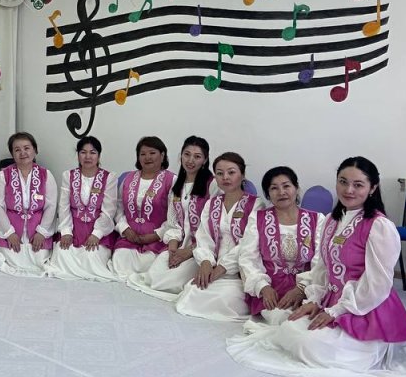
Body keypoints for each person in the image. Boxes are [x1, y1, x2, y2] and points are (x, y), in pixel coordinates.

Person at [227, 156, 406, 377]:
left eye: (358, 185)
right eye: (343, 182)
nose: (349, 190)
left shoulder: (379, 226)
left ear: (372, 188)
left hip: (365, 310)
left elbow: (378, 284)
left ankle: (371, 348)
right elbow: (323, 268)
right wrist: (314, 299)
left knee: (309, 344)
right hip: (331, 302)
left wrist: (336, 311)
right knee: (289, 327)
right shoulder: (332, 220)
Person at [128, 135, 218, 299]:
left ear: (205, 160)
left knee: (170, 282)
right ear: (181, 156)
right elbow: (173, 223)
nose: (190, 160)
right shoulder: (177, 186)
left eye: (197, 156)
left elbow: (215, 228)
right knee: (153, 276)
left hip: (202, 249)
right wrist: (172, 250)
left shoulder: (212, 185)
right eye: (187, 154)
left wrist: (188, 251)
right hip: (179, 244)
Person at [175, 152, 261, 321]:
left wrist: (221, 269)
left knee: (218, 296)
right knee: (192, 290)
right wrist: (206, 262)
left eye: (231, 172)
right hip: (214, 264)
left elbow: (248, 244)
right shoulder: (212, 203)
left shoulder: (255, 204)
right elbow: (203, 236)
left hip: (239, 270)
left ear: (242, 175)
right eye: (220, 173)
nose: (225, 177)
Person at [236, 166, 326, 325]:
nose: (281, 192)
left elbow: (321, 260)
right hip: (272, 290)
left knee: (312, 321)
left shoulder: (317, 219)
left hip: (309, 287)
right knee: (284, 321)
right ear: (268, 194)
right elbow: (247, 257)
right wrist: (263, 287)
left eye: (286, 186)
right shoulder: (258, 218)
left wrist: (302, 288)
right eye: (274, 188)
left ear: (296, 188)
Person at [0, 132, 57, 277]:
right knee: (11, 256)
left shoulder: (46, 175)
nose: (22, 153)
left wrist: (42, 232)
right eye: (17, 150)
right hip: (9, 228)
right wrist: (9, 233)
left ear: (35, 150)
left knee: (38, 258)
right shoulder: (3, 176)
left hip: (37, 230)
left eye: (26, 148)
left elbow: (51, 206)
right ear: (12, 154)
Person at [47, 135, 118, 281]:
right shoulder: (68, 175)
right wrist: (66, 232)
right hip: (74, 228)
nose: (88, 156)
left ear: (99, 156)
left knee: (92, 256)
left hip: (98, 228)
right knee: (62, 253)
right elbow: (64, 206)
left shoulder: (109, 177)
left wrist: (97, 234)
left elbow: (108, 210)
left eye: (92, 152)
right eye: (83, 152)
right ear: (78, 155)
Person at [110, 136, 174, 280]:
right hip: (129, 239)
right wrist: (125, 229)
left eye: (152, 153)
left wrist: (156, 235)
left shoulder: (172, 180)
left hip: (156, 241)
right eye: (143, 154)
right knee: (120, 259)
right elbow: (118, 209)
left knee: (149, 265)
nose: (147, 157)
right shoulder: (127, 178)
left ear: (162, 155)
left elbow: (174, 216)